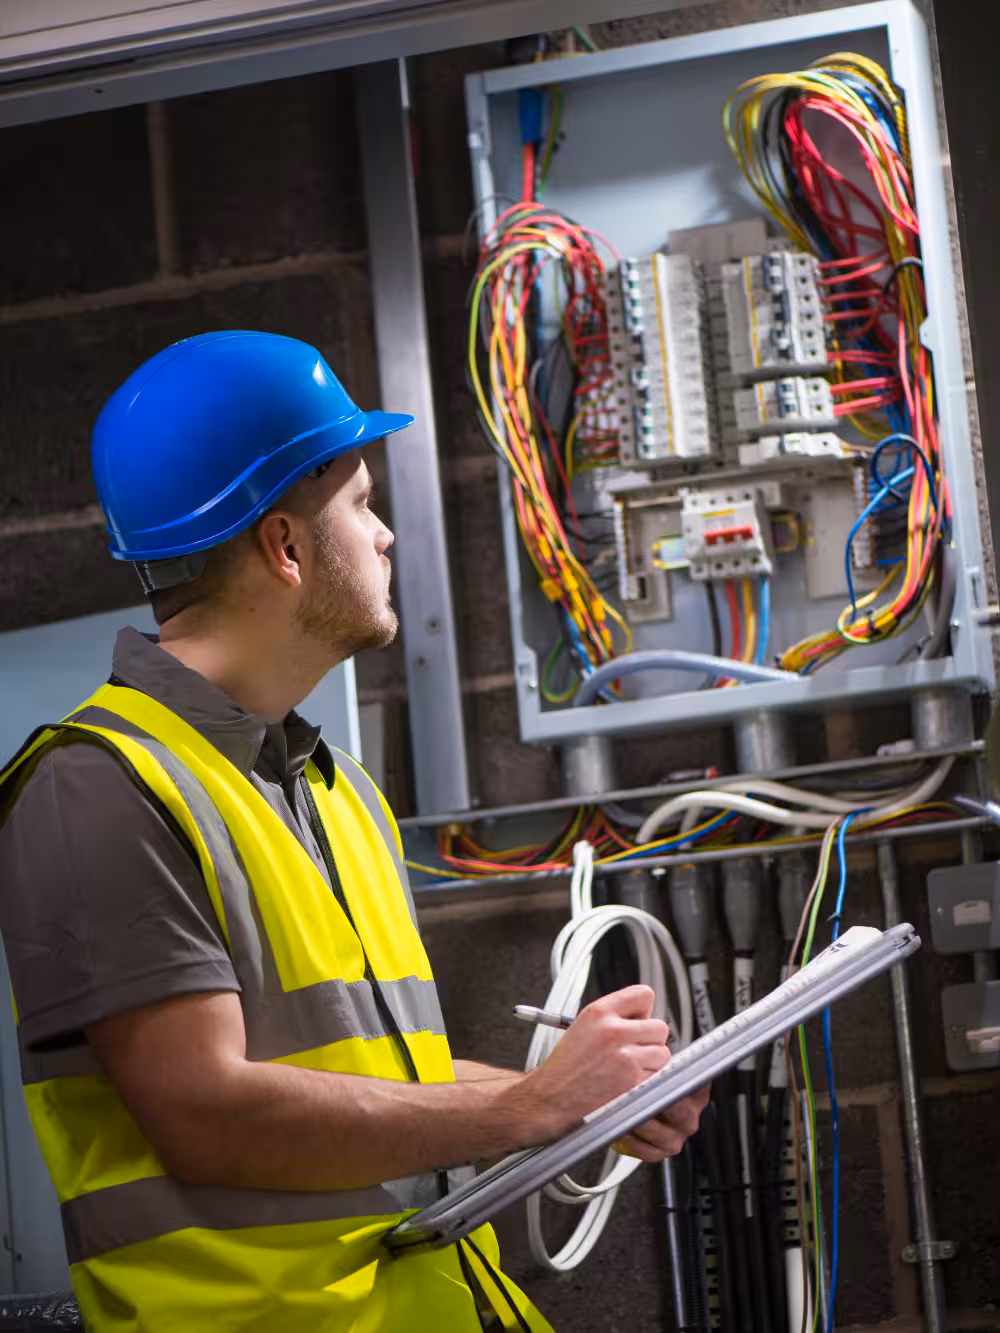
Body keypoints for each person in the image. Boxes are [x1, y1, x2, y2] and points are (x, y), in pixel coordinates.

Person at [0, 331, 708, 1332]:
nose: (384, 537)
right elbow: (205, 1112)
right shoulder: (99, 786)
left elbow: (378, 1081)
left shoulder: (335, 788)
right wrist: (530, 1107)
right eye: (363, 504)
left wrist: (578, 1095)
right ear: (285, 546)